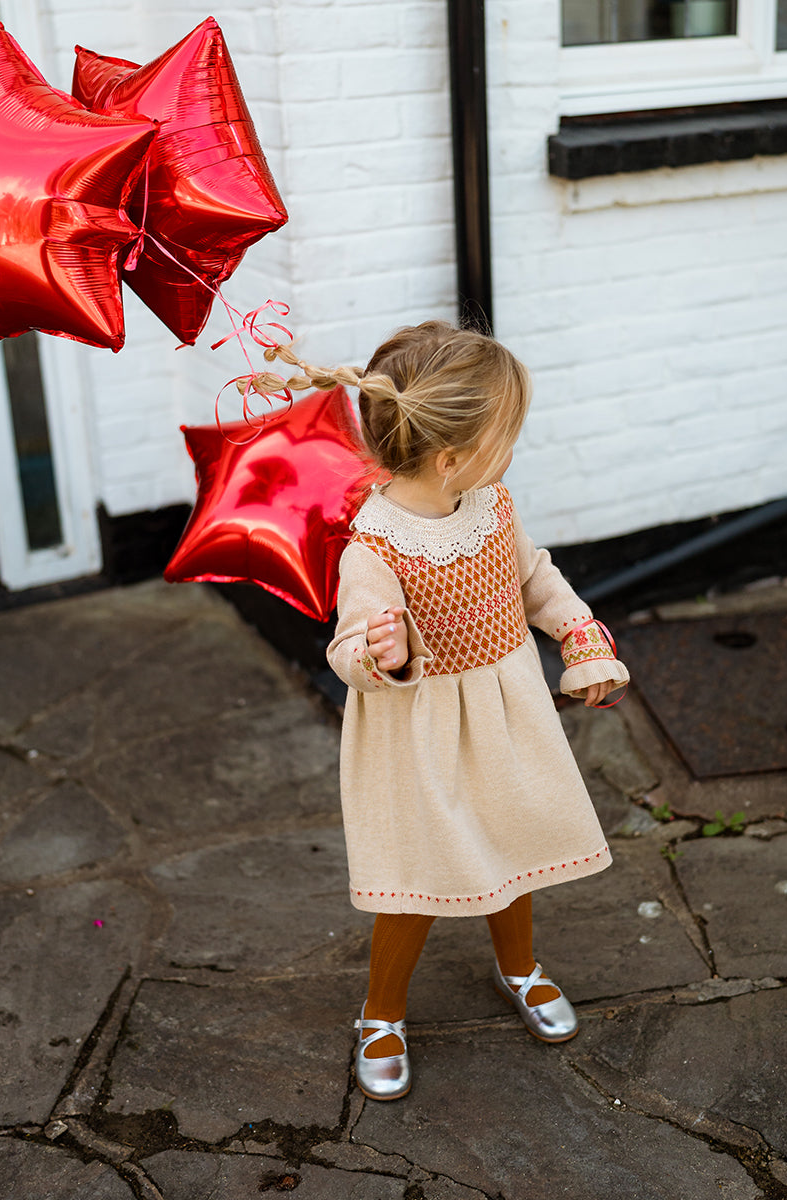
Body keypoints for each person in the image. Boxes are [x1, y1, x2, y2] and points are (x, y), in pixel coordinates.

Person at [254, 320, 629, 1101]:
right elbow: (347, 649)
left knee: (514, 837)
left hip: (506, 713)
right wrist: (381, 650)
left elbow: (533, 577)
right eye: (506, 436)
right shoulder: (374, 546)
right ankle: (381, 1012)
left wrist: (578, 634)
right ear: (450, 456)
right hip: (422, 734)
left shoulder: (491, 504)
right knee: (416, 878)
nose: (513, 449)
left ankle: (519, 967)